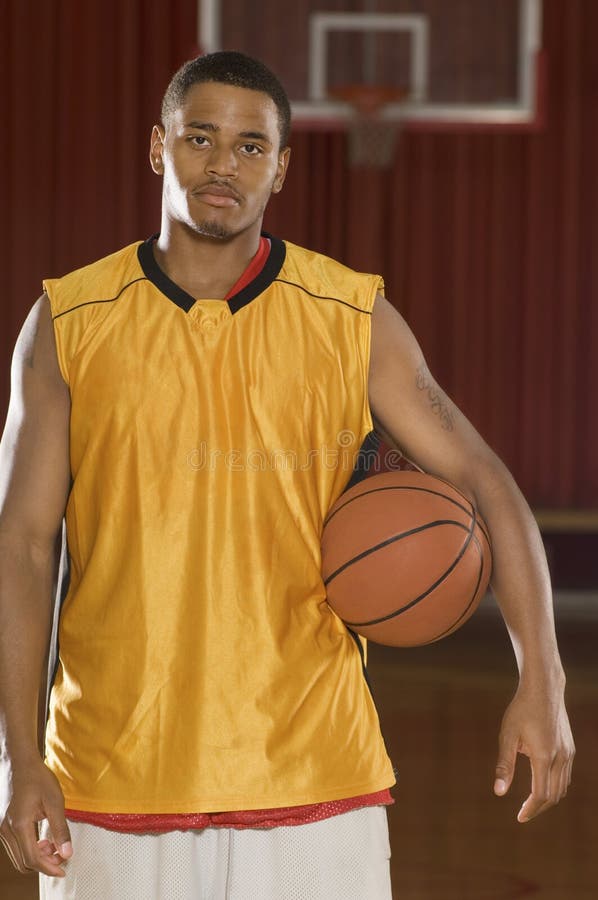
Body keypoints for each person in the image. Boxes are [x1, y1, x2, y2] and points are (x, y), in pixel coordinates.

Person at [0, 51, 574, 900]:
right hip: (109, 772)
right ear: (159, 147)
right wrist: (16, 758)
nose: (223, 165)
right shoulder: (69, 320)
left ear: (282, 167)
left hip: (312, 773)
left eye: (250, 146)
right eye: (201, 138)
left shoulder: (351, 315)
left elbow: (489, 483)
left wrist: (544, 681)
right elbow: (22, 543)